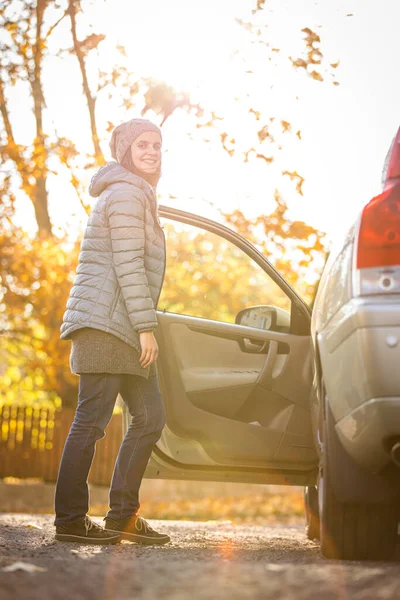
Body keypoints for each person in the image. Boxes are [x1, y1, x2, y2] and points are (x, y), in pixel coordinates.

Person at [54, 118, 169, 546]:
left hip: (121, 325)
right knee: (91, 421)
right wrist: (146, 328)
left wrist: (139, 325)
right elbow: (128, 265)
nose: (152, 151)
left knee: (150, 416)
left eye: (157, 145)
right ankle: (69, 519)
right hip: (106, 325)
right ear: (125, 150)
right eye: (142, 144)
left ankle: (122, 516)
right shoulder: (123, 193)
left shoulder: (136, 193)